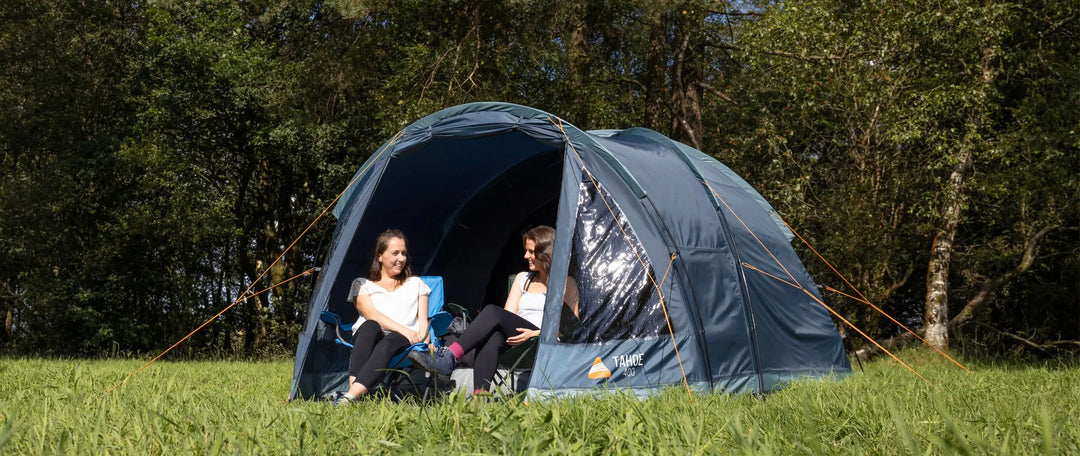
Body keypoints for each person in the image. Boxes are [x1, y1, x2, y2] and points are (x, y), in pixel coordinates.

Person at [409, 225, 577, 395]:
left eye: (531, 252)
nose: (526, 256)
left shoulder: (567, 284)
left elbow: (569, 328)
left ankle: (450, 357)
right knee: (494, 335)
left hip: (542, 340)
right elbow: (507, 315)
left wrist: (535, 334)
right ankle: (480, 396)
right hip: (516, 338)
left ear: (546, 252)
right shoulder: (522, 279)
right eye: (526, 251)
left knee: (491, 311)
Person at [335, 229, 430, 405]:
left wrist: (427, 341)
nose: (401, 258)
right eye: (395, 253)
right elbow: (372, 314)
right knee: (371, 325)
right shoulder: (362, 284)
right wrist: (404, 329)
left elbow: (423, 319)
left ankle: (349, 398)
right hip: (369, 337)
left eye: (404, 253)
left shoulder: (416, 283)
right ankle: (354, 394)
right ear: (380, 256)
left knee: (391, 339)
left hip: (402, 340)